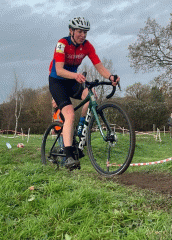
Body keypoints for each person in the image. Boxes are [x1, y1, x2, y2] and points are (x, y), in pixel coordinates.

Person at [48, 16, 120, 170]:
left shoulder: (87, 46)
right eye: (79, 31)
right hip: (58, 81)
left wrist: (110, 76)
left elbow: (99, 65)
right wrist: (75, 75)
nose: (82, 35)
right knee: (69, 114)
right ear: (71, 31)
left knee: (91, 96)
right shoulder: (62, 44)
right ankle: (68, 156)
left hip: (73, 80)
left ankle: (80, 132)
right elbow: (59, 70)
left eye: (85, 32)